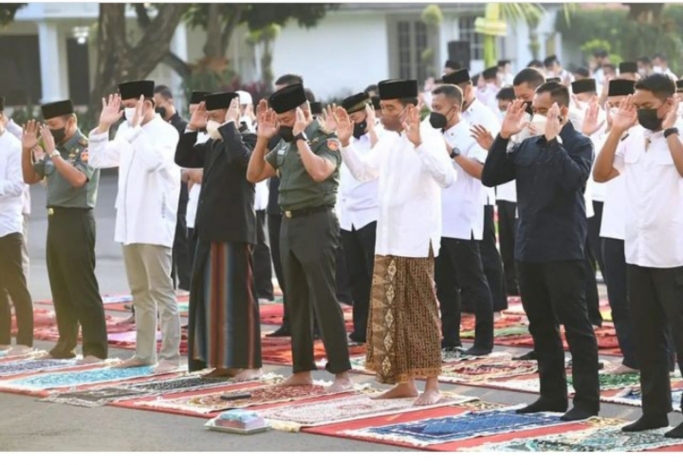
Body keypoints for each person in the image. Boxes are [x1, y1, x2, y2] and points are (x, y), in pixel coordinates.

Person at [481, 82, 600, 421]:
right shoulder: (527, 144)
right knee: (541, 325)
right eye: (533, 109)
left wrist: (553, 140)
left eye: (541, 109)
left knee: (576, 326)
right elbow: (491, 177)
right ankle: (552, 395)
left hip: (563, 249)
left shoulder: (579, 143)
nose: (534, 115)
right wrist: (504, 136)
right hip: (528, 247)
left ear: (559, 110)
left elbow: (572, 180)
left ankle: (587, 401)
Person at [335, 79, 455, 405]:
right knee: (392, 314)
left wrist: (418, 143)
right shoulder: (387, 141)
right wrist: (345, 144)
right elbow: (363, 173)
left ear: (410, 109)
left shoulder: (429, 136)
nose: (383, 114)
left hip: (416, 240)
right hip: (387, 239)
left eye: (389, 108)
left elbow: (448, 177)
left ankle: (432, 386)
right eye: (383, 108)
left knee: (422, 313)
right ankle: (405, 383)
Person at [247, 83, 352, 392]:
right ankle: (302, 369)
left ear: (301, 113)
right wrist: (263, 139)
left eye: (284, 120)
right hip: (289, 224)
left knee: (324, 297)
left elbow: (320, 172)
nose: (280, 125)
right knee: (296, 299)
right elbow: (254, 175)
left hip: (317, 222)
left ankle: (342, 373)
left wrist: (302, 137)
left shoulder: (324, 139)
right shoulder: (282, 142)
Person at [593, 74, 683, 438]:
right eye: (637, 104)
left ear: (666, 103)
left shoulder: (678, 134)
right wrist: (616, 130)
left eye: (647, 106)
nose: (641, 111)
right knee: (648, 338)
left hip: (675, 253)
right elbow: (600, 175)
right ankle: (655, 410)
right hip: (639, 252)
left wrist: (671, 130)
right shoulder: (631, 137)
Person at [89, 81, 182, 373]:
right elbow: (98, 159)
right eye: (125, 107)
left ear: (149, 104)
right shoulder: (125, 130)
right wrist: (103, 128)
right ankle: (144, 354)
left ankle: (170, 357)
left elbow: (154, 162)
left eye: (132, 106)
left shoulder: (167, 132)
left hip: (154, 222)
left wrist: (138, 129)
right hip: (129, 224)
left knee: (162, 292)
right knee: (139, 292)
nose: (128, 112)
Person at [175, 92, 262, 381]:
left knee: (237, 299)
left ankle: (246, 363)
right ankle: (221, 361)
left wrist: (230, 126)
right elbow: (184, 157)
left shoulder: (249, 138)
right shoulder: (213, 143)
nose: (211, 122)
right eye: (209, 117)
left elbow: (243, 163)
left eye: (215, 116)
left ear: (231, 113)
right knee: (210, 300)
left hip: (234, 231)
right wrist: (192, 127)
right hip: (209, 230)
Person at [21, 100, 107, 362]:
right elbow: (30, 178)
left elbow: (79, 180)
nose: (50, 130)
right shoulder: (52, 148)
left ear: (71, 121)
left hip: (77, 219)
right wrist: (27, 151)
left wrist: (53, 154)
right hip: (55, 219)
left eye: (55, 125)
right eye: (47, 126)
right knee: (60, 286)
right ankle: (66, 343)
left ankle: (95, 348)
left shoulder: (84, 147)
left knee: (82, 286)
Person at [428, 83, 493, 355]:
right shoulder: (433, 134)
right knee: (444, 285)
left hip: (462, 218)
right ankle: (450, 339)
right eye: (431, 108)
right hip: (438, 218)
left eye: (438, 108)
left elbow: (480, 171)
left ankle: (483, 342)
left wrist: (452, 151)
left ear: (454, 108)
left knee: (473, 283)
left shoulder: (470, 134)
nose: (433, 113)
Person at [585, 78, 639, 375]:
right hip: (612, 224)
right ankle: (632, 357)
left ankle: (660, 356)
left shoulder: (648, 135)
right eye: (613, 105)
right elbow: (598, 174)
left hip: (642, 228)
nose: (618, 111)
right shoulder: (603, 136)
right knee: (618, 296)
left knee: (648, 299)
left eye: (625, 105)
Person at [443, 69, 508, 316]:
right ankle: (470, 301)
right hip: (453, 194)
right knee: (465, 257)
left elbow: (491, 153)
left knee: (486, 251)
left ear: (468, 89)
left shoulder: (483, 115)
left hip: (479, 192)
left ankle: (495, 303)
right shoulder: (440, 121)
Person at [336, 92, 382, 344]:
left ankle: (378, 329)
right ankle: (361, 328)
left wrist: (374, 127)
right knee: (356, 277)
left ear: (369, 113)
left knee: (375, 275)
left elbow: (376, 162)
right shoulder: (343, 138)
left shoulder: (381, 136)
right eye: (349, 117)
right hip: (348, 215)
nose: (354, 122)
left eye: (358, 116)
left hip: (372, 213)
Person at [264, 74, 303, 338]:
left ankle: (309, 324)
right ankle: (290, 321)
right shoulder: (276, 129)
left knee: (303, 272)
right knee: (283, 269)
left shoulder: (305, 130)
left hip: (302, 208)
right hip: (276, 205)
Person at [0, 101, 34, 356]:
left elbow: (17, 186)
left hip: (8, 225)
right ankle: (2, 339)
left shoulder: (13, 146)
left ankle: (24, 341)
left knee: (16, 285)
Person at [153, 85, 191, 294]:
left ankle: (186, 282)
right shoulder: (156, 127)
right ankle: (170, 281)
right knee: (164, 240)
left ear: (169, 102)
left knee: (180, 237)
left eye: (159, 104)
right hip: (160, 191)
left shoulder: (182, 126)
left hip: (179, 188)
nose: (157, 109)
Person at [492, 86, 520, 296]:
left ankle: (520, 282)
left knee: (519, 244)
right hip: (502, 193)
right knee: (507, 245)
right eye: (500, 107)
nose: (503, 110)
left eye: (506, 106)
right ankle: (510, 283)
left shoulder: (523, 124)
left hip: (518, 194)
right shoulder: (499, 124)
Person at [184, 91, 209, 269]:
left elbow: (204, 176)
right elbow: (181, 172)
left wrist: (191, 172)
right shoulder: (191, 136)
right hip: (192, 208)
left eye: (198, 111)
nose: (194, 117)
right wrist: (192, 172)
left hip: (212, 213)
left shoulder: (215, 137)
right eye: (191, 112)